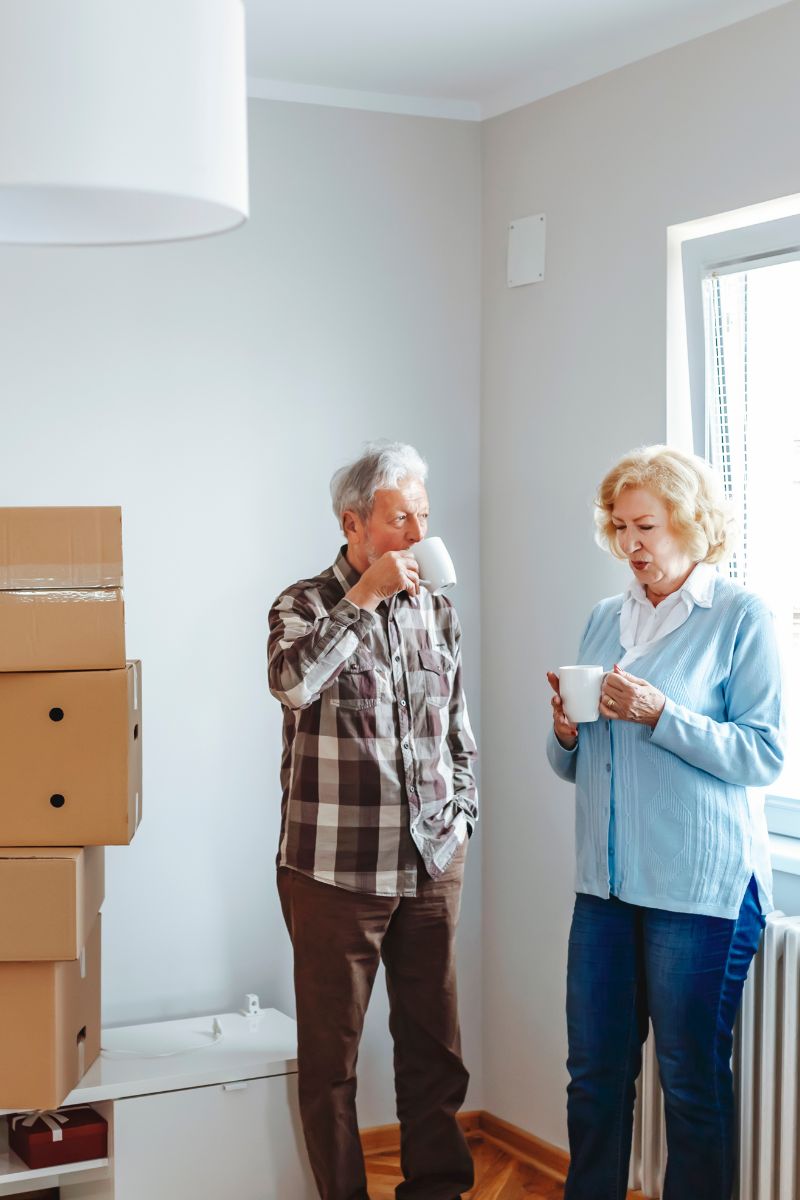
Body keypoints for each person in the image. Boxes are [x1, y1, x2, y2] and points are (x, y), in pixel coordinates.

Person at [546, 445, 784, 1200]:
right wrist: (565, 734)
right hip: (607, 888)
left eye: (645, 525)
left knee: (691, 1087)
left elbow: (762, 753)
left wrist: (660, 714)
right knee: (594, 1081)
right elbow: (575, 769)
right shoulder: (602, 620)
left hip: (701, 892)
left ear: (690, 522)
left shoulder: (740, 617)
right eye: (619, 527)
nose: (631, 545)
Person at [268, 440, 478, 1200]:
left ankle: (438, 1191)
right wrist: (362, 601)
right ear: (354, 524)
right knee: (331, 1062)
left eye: (424, 516)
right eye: (400, 519)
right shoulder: (302, 604)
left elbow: (457, 728)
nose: (418, 535)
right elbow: (292, 686)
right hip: (332, 873)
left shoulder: (438, 611)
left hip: (429, 862)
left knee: (435, 1049)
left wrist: (462, 818)